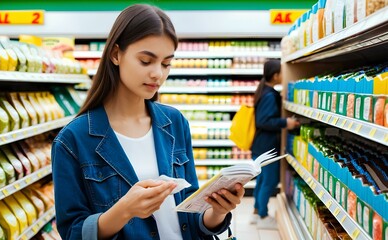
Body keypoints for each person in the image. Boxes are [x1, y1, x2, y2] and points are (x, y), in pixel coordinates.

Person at [51, 4, 245, 240]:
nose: (158, 74)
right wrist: (124, 211)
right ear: (115, 54)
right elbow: (73, 233)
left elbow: (191, 215)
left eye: (166, 64)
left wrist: (217, 211)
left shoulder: (175, 123)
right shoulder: (73, 140)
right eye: (146, 61)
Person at [249, 59, 299, 229]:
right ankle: (263, 216)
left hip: (260, 145)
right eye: (282, 72)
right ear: (276, 75)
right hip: (266, 147)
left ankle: (256, 212)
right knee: (269, 181)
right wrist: (286, 123)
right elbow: (263, 121)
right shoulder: (269, 95)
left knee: (262, 180)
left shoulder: (265, 91)